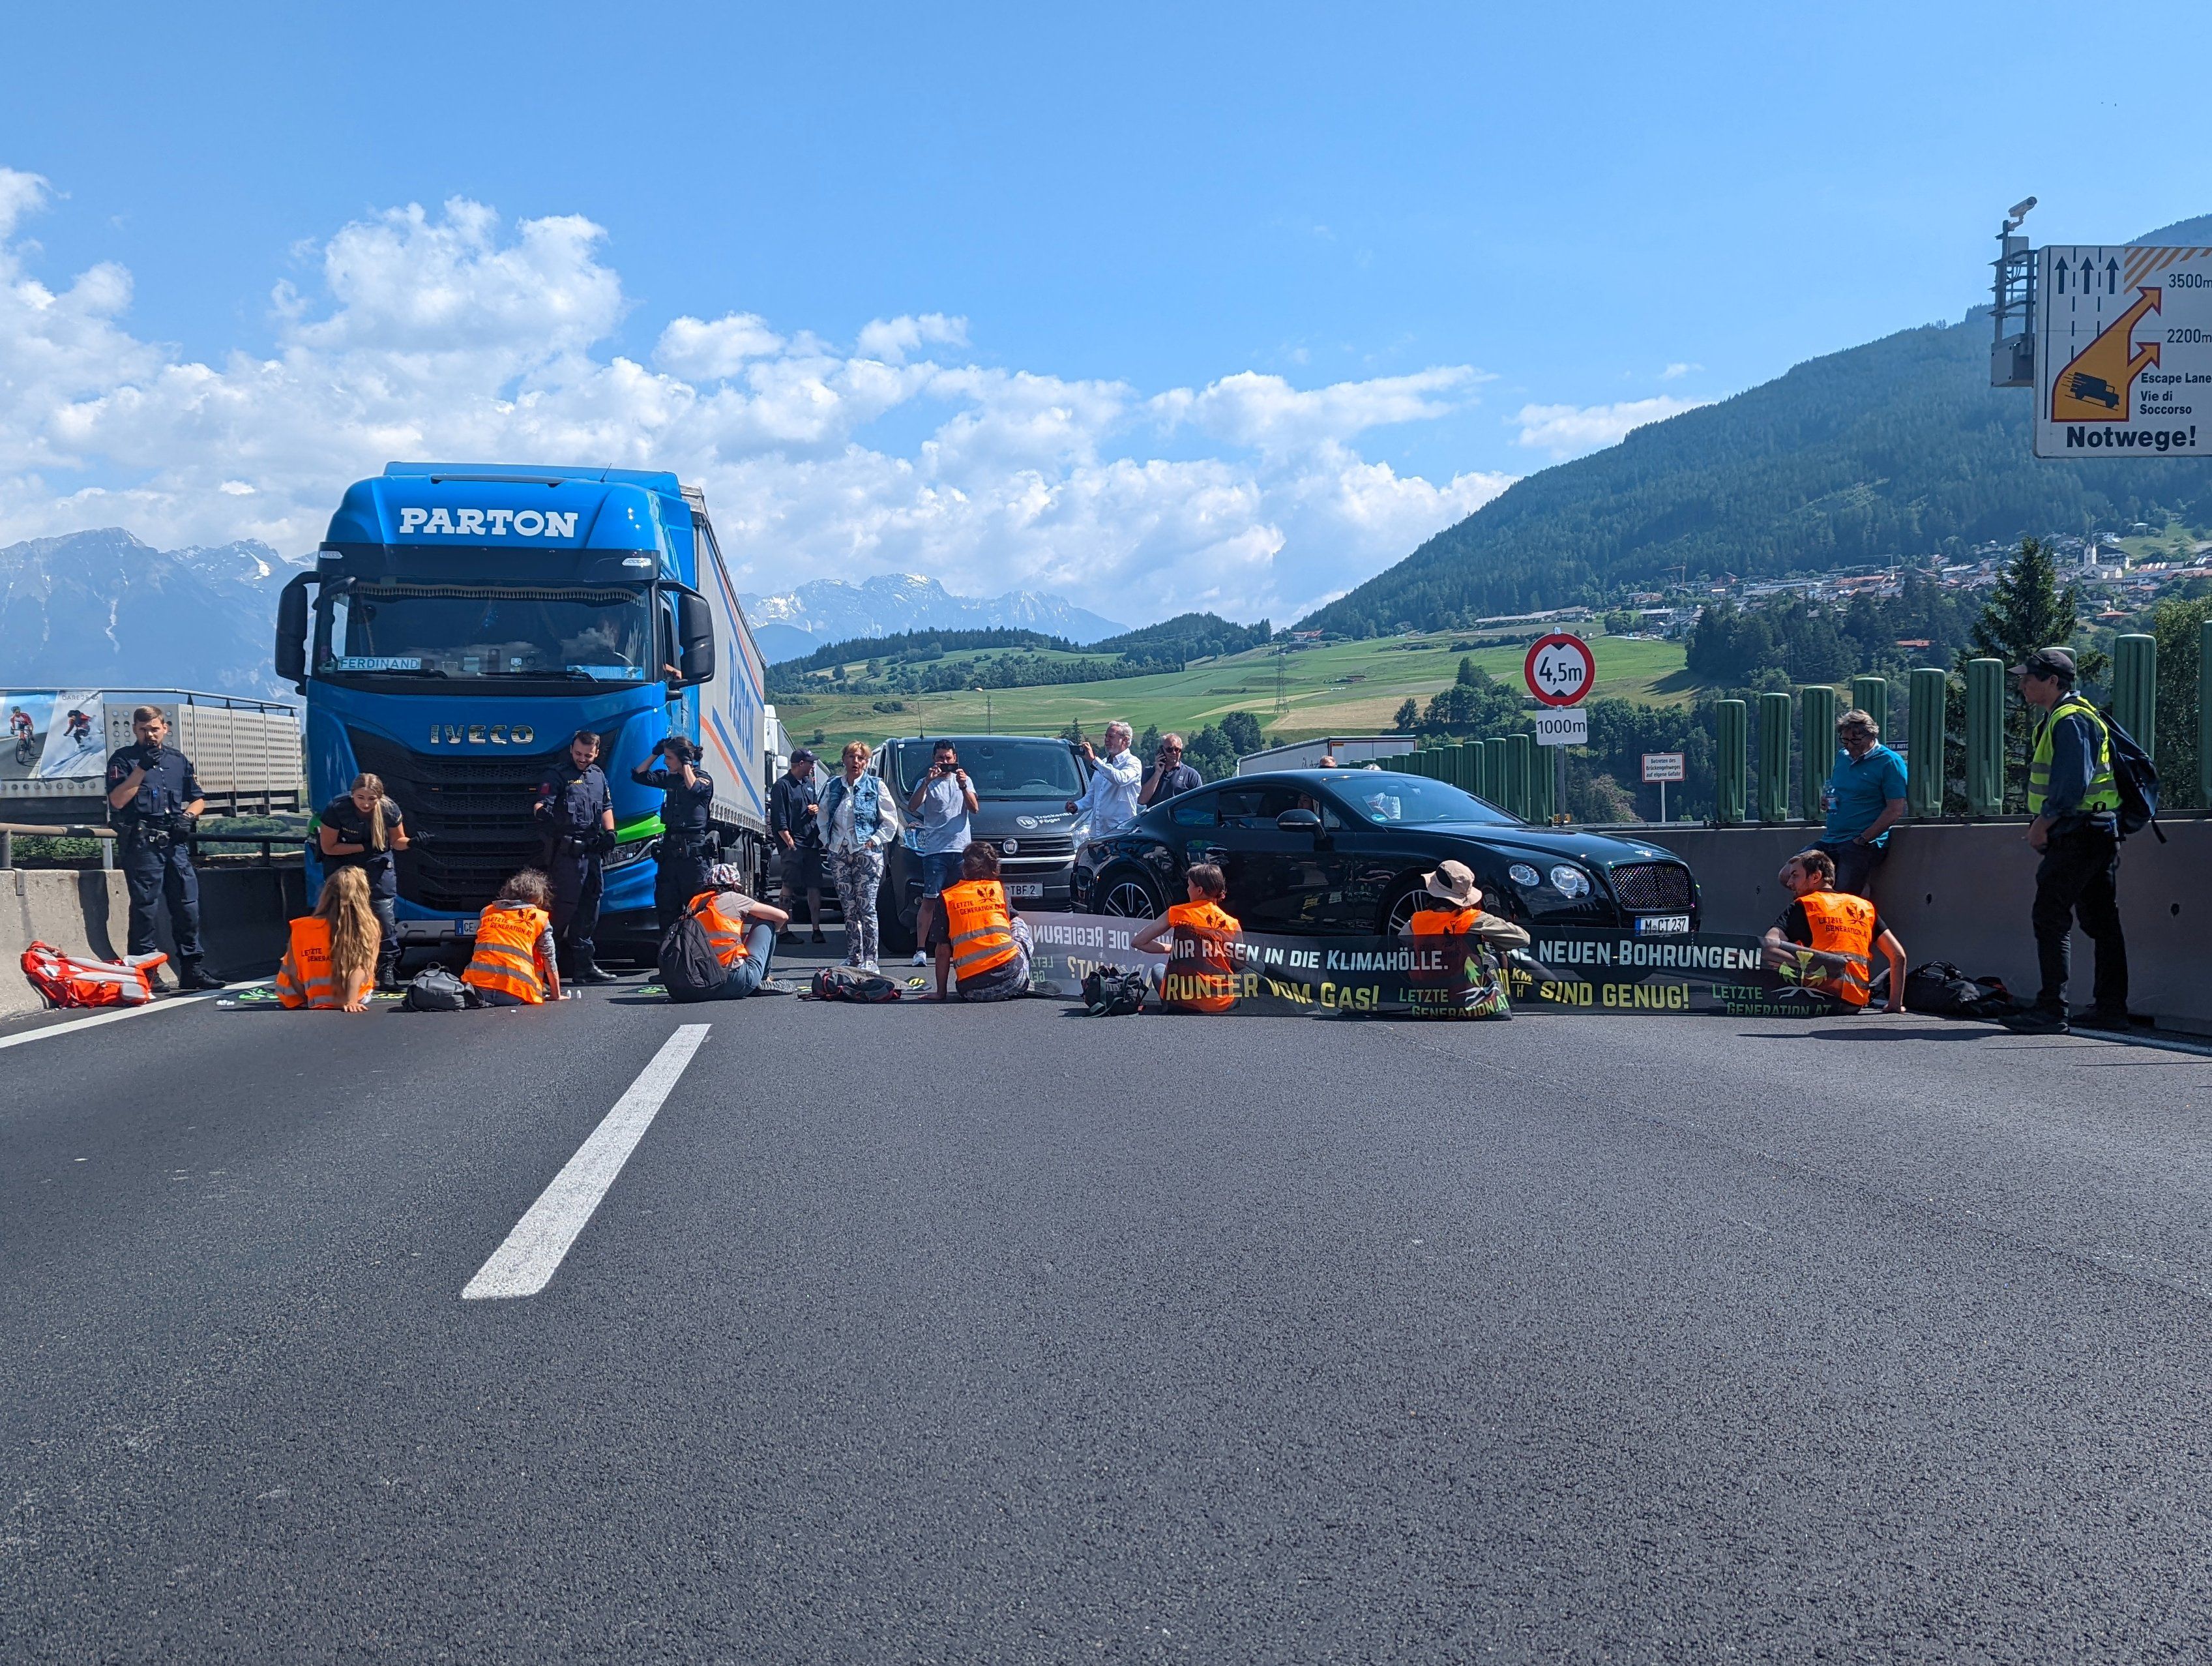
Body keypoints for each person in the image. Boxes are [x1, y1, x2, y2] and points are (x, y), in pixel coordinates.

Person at [2003, 647, 2129, 1034]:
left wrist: (2044, 822)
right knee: (2100, 921)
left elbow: (2073, 782)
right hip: (2096, 831)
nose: (2023, 684)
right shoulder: (2070, 716)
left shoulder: (2070, 719)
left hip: (2078, 832)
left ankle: (2051, 1010)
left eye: (2030, 677)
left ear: (2053, 681)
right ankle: (2110, 1009)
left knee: (2051, 917)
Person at [104, 705, 225, 992]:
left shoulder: (177, 761)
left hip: (175, 842)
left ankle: (192, 969)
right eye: (144, 729)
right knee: (146, 908)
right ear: (134, 729)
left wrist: (188, 816)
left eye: (154, 729)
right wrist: (141, 768)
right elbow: (118, 801)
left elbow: (198, 799)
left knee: (187, 906)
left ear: (165, 728)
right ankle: (147, 972)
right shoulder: (123, 760)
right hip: (142, 843)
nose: (150, 735)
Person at [1762, 848, 1907, 1013]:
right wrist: (1895, 1005)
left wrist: (1815, 963)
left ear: (1816, 877)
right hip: (1853, 1003)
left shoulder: (1805, 905)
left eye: (1795, 875)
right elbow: (1898, 955)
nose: (1789, 883)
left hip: (1817, 997)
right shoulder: (1864, 907)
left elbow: (1769, 947)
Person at [1394, 859, 1529, 1018]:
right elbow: (1522, 938)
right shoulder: (1474, 919)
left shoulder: (1417, 921)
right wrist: (1487, 941)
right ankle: (1505, 998)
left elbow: (1403, 938)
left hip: (1428, 998)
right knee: (1497, 955)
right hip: (1468, 998)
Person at [534, 729, 617, 984]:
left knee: (590, 907)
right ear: (572, 749)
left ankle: (585, 968)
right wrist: (546, 818)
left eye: (588, 755)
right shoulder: (557, 774)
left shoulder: (598, 775)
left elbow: (606, 807)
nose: (583, 759)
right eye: (579, 754)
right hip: (568, 854)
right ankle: (544, 969)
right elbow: (540, 805)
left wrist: (611, 832)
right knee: (562, 909)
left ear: (596, 753)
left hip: (592, 853)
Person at [317, 771, 409, 989]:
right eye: (361, 798)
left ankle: (386, 967)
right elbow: (328, 847)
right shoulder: (337, 809)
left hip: (377, 862)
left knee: (383, 913)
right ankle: (339, 967)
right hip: (342, 862)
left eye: (371, 799)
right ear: (352, 795)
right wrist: (364, 847)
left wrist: (414, 843)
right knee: (342, 914)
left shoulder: (389, 810)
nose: (366, 804)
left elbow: (398, 842)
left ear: (379, 798)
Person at [816, 739, 902, 973]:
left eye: (861, 758)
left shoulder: (876, 786)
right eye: (852, 757)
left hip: (866, 853)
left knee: (867, 907)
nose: (856, 762)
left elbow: (890, 820)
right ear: (844, 759)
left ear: (866, 762)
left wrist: (873, 840)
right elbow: (823, 816)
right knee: (849, 906)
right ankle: (854, 956)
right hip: (839, 852)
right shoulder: (834, 786)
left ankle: (871, 958)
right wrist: (828, 841)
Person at [1813, 708, 1907, 897]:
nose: (1850, 746)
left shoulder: (1890, 762)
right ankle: (1860, 897)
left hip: (1861, 842)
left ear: (1871, 736)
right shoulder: (1842, 757)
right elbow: (1843, 790)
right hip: (1832, 838)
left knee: (1842, 894)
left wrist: (1863, 839)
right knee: (1789, 875)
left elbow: (1895, 810)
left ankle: (1859, 909)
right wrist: (1828, 801)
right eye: (1845, 740)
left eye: (1856, 740)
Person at [926, 842, 1033, 1002]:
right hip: (1013, 980)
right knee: (1016, 922)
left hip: (972, 991)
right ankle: (1024, 977)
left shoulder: (948, 897)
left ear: (964, 869)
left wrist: (941, 993)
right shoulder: (1000, 890)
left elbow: (942, 950)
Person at [631, 734, 716, 933]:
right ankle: (671, 956)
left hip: (693, 857)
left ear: (683, 759)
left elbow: (694, 789)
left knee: (696, 910)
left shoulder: (704, 779)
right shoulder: (670, 779)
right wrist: (655, 753)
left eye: (669, 757)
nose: (665, 761)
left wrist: (687, 762)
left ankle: (696, 955)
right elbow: (639, 775)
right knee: (667, 910)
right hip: (670, 855)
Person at [906, 738, 979, 967]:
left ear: (955, 759)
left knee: (960, 900)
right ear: (933, 759)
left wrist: (964, 785)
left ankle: (961, 945)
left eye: (948, 758)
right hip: (935, 851)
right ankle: (920, 949)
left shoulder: (965, 781)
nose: (945, 762)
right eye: (940, 758)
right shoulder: (926, 782)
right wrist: (927, 782)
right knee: (930, 899)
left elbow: (974, 808)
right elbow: (912, 807)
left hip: (960, 849)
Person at [1132, 861, 1241, 1012]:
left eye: (1189, 886)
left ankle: (1171, 1005)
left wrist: (1170, 949)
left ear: (1199, 890)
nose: (1187, 889)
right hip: (1221, 1003)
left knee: (1158, 969)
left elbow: (1138, 942)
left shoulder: (1177, 913)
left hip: (1181, 998)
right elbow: (1239, 964)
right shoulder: (1232, 924)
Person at [274, 866, 380, 1011]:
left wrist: (309, 1000)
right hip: (355, 997)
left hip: (311, 997)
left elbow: (292, 973)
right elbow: (361, 967)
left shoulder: (301, 926)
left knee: (289, 957)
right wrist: (351, 1001)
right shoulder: (369, 926)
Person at [683, 862, 789, 1000]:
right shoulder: (733, 898)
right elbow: (782, 916)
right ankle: (764, 979)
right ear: (734, 885)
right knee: (767, 922)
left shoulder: (695, 903)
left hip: (699, 981)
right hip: (735, 980)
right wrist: (770, 936)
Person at [462, 869, 563, 1007]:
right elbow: (549, 958)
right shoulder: (539, 919)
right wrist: (556, 995)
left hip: (478, 991)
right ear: (538, 896)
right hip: (514, 993)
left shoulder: (487, 912)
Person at [769, 748, 829, 948]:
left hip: (811, 842)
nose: (813, 766)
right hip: (793, 843)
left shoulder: (809, 785)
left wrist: (816, 808)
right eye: (810, 763)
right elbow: (779, 815)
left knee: (814, 885)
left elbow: (817, 806)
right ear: (800, 764)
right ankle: (783, 929)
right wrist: (787, 837)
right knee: (789, 884)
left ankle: (816, 929)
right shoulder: (782, 786)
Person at [1066, 721, 1143, 837]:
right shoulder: (1103, 763)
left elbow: (1120, 779)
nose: (1107, 740)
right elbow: (1092, 797)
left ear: (1125, 740)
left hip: (1120, 833)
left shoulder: (1133, 763)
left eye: (1111, 737)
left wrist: (1094, 761)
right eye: (1106, 736)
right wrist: (1077, 806)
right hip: (1097, 832)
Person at [1139, 733, 1203, 807]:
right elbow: (1142, 800)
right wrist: (1158, 773)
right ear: (1161, 751)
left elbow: (1200, 804)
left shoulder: (1191, 775)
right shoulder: (1149, 772)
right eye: (1169, 749)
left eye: (1177, 750)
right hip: (1155, 818)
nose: (1174, 753)